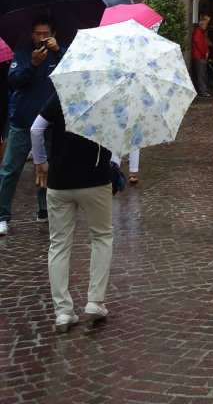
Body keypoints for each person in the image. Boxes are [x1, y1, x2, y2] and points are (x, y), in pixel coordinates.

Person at [30, 90, 113, 333]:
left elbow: (36, 129)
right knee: (101, 237)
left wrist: (40, 162)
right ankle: (95, 301)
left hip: (59, 181)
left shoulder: (61, 92)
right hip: (95, 180)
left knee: (59, 245)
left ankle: (63, 312)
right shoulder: (109, 95)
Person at [0, 17, 63, 236]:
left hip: (47, 121)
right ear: (31, 34)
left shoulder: (59, 53)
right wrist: (33, 66)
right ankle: (2, 215)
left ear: (52, 33)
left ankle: (45, 211)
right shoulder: (23, 53)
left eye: (45, 33)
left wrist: (59, 52)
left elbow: (70, 75)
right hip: (23, 120)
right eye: (37, 34)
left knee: (45, 167)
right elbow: (14, 80)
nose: (41, 38)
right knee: (10, 169)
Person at [191, 15, 212, 97]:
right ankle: (203, 91)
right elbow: (200, 45)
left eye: (205, 24)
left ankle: (205, 89)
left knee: (203, 74)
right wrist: (205, 53)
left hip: (200, 56)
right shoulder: (198, 33)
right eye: (203, 24)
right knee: (201, 74)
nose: (205, 26)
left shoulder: (200, 33)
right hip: (199, 56)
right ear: (200, 25)